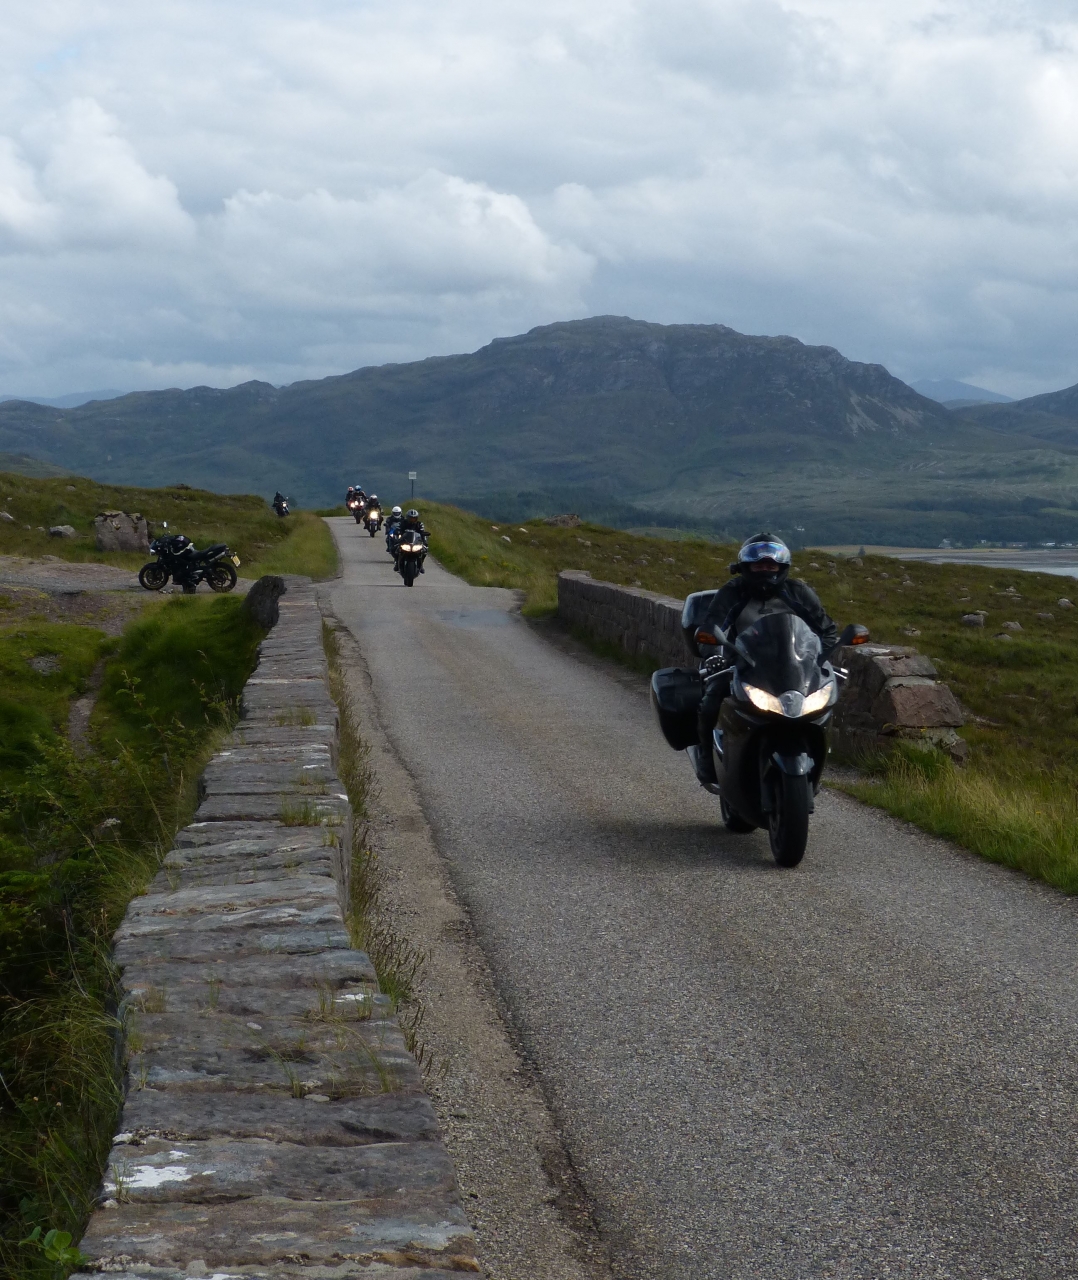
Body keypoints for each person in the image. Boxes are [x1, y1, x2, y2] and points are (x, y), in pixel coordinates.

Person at [691, 532, 837, 786]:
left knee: (827, 695)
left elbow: (827, 631)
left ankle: (819, 752)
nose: (765, 569)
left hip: (794, 664)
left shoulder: (797, 592)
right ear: (746, 567)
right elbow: (712, 628)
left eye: (771, 565)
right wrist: (714, 655)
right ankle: (706, 756)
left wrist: (818, 657)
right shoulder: (733, 592)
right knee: (712, 696)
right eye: (759, 564)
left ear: (782, 567)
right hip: (744, 663)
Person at [395, 508, 429, 573]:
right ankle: (397, 563)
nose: (412, 520)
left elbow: (422, 532)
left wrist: (424, 541)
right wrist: (397, 534)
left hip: (416, 542)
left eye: (414, 518)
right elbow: (398, 530)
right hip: (405, 541)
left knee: (424, 550)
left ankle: (421, 565)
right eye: (411, 518)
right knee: (396, 549)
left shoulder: (419, 524)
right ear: (407, 518)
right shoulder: (403, 523)